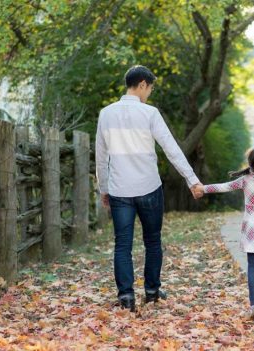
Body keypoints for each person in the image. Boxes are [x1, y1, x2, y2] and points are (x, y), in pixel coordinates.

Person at [95, 65, 203, 312]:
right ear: (142, 84)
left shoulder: (106, 114)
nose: (150, 93)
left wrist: (104, 189)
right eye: (150, 88)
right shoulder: (150, 114)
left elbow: (101, 157)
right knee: (152, 241)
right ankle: (152, 291)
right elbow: (171, 149)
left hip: (120, 190)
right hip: (149, 188)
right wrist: (192, 180)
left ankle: (126, 296)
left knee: (122, 244)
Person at [195, 147, 254, 318]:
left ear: (250, 163)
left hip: (252, 228)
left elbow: (224, 187)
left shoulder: (245, 180)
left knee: (253, 267)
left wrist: (203, 188)